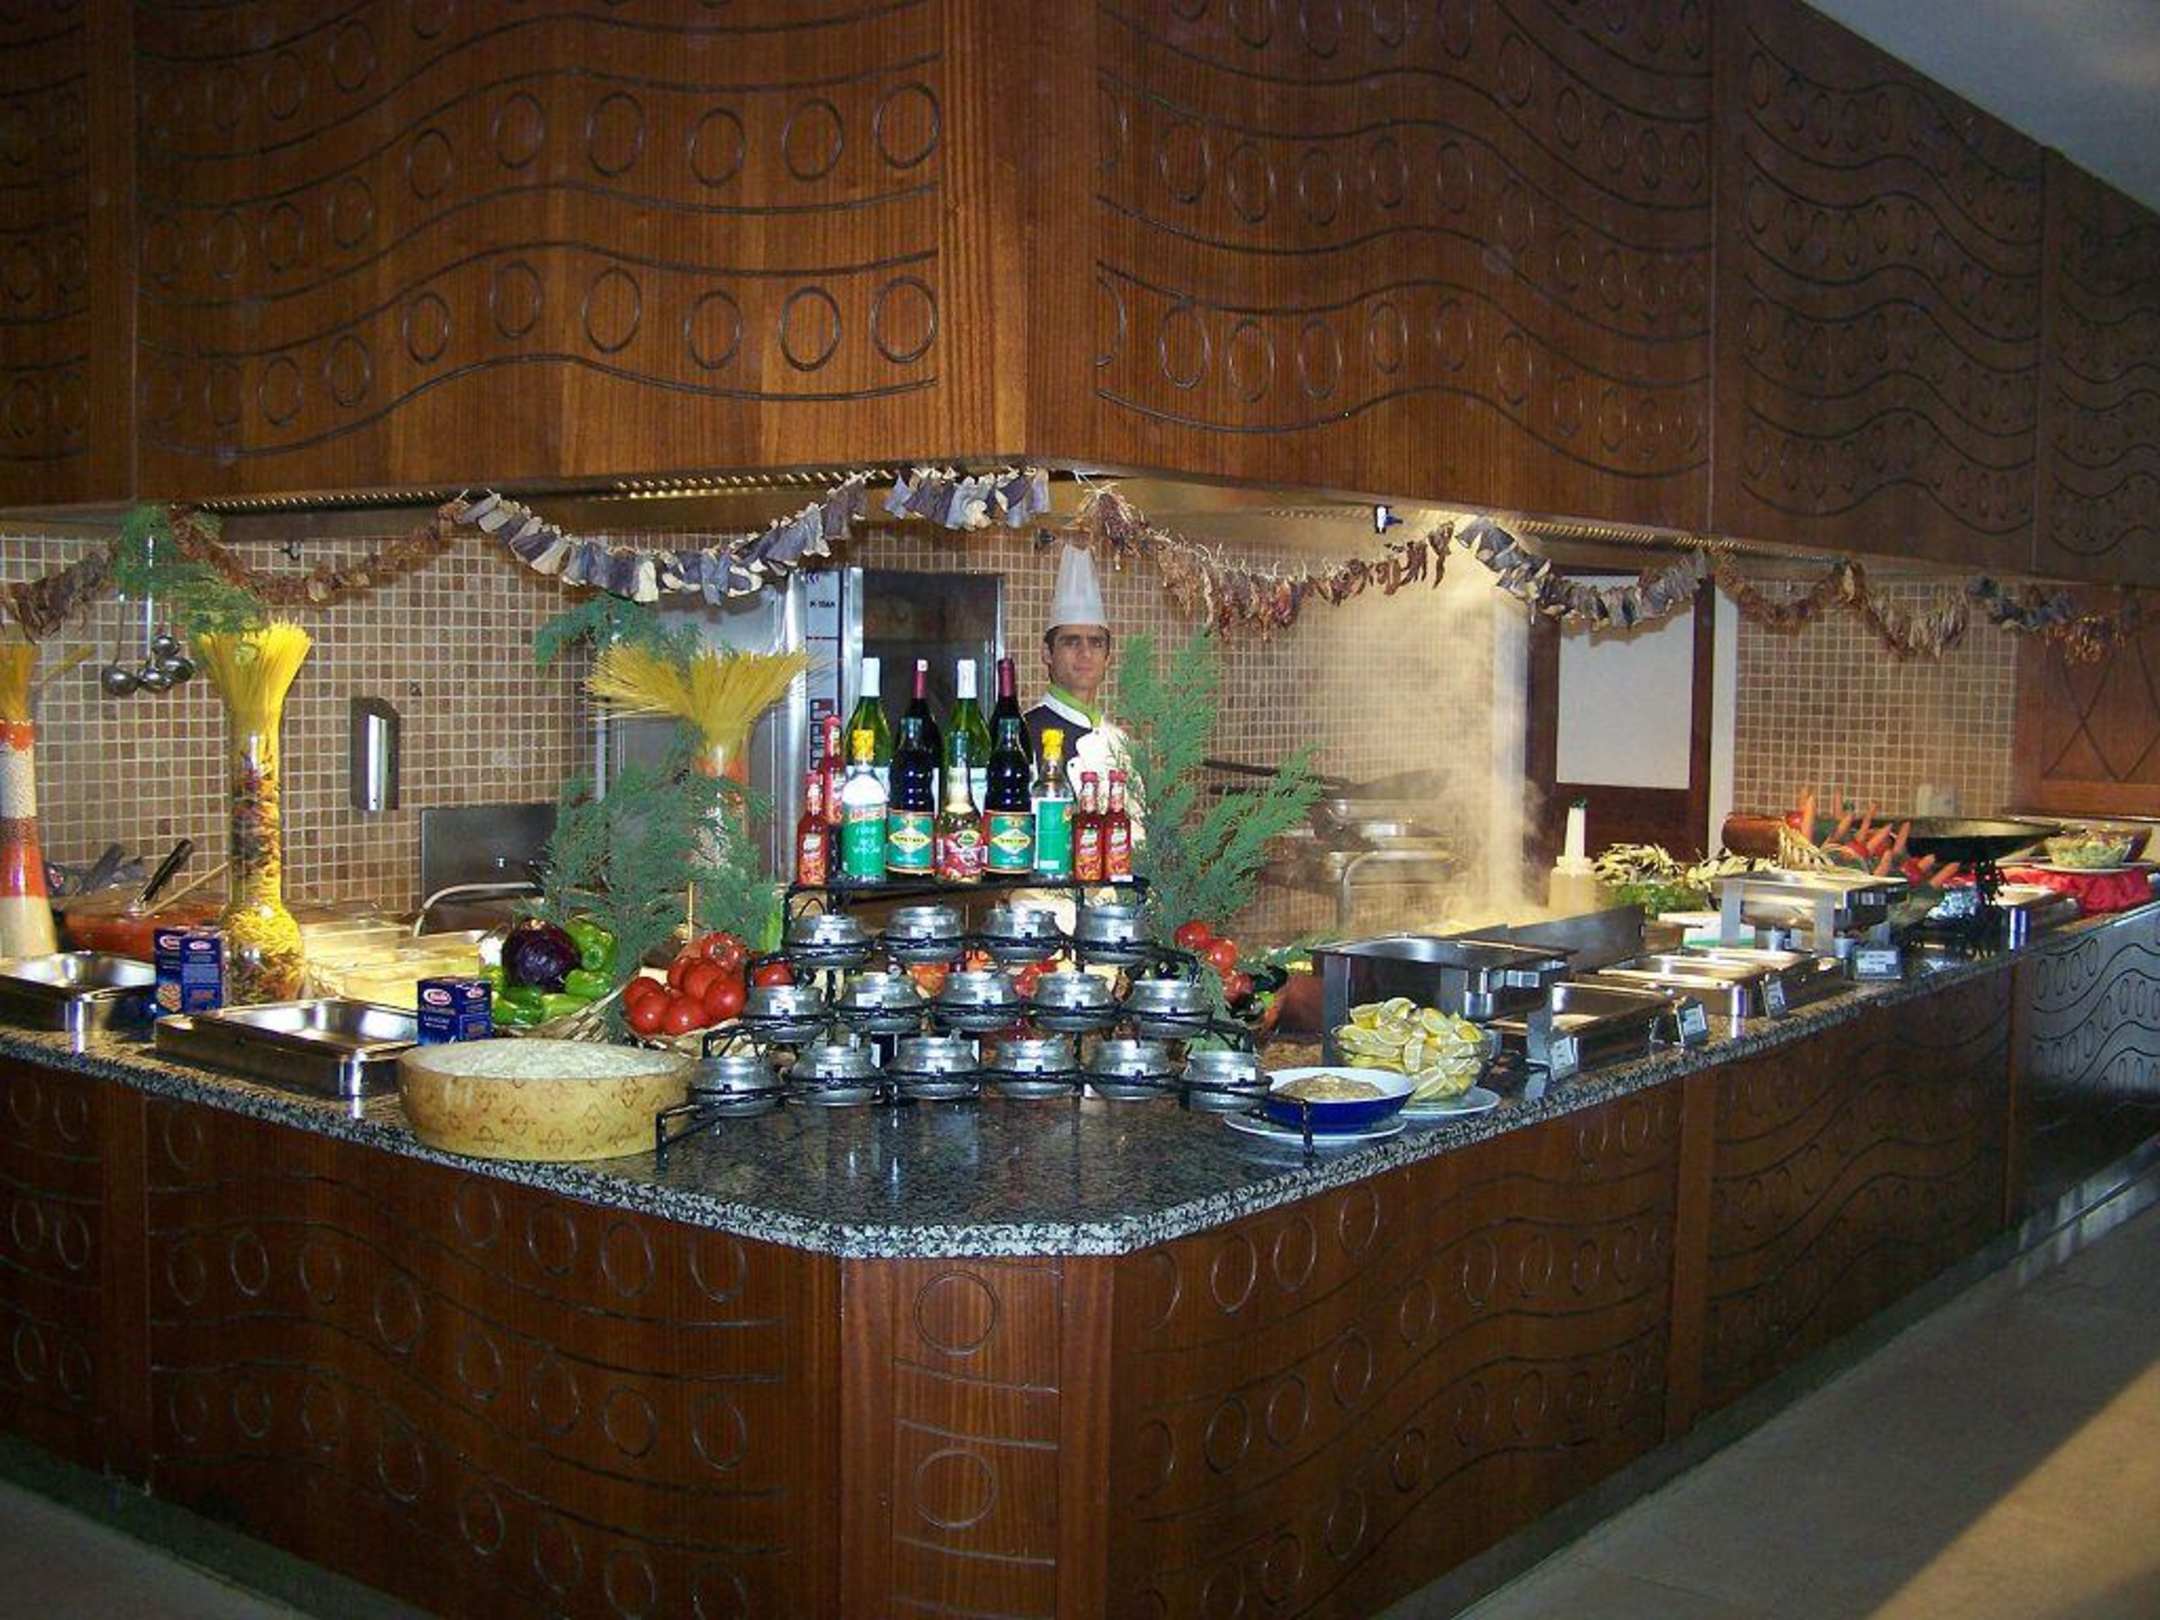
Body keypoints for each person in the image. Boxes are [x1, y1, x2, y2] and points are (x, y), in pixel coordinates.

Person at [1025, 545, 1137, 813]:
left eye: (1096, 643)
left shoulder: (1120, 742)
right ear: (1047, 653)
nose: (1085, 653)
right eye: (1071, 641)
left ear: (1108, 657)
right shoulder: (1023, 735)